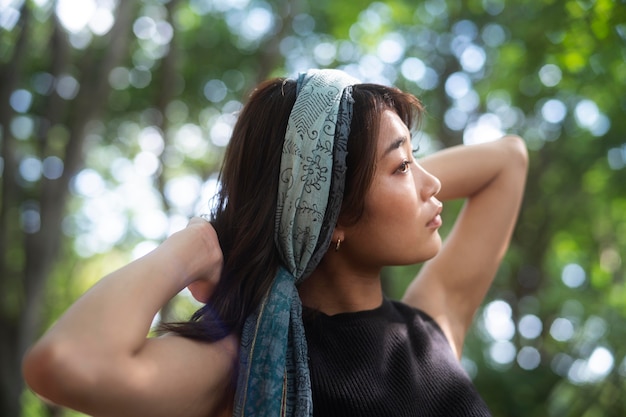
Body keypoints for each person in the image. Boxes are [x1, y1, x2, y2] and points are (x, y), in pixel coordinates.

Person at [23, 69, 528, 417]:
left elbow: (509, 159)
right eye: (402, 167)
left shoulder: (430, 327)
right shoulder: (244, 357)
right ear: (332, 217)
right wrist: (195, 244)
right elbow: (65, 362)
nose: (432, 183)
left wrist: (333, 194)